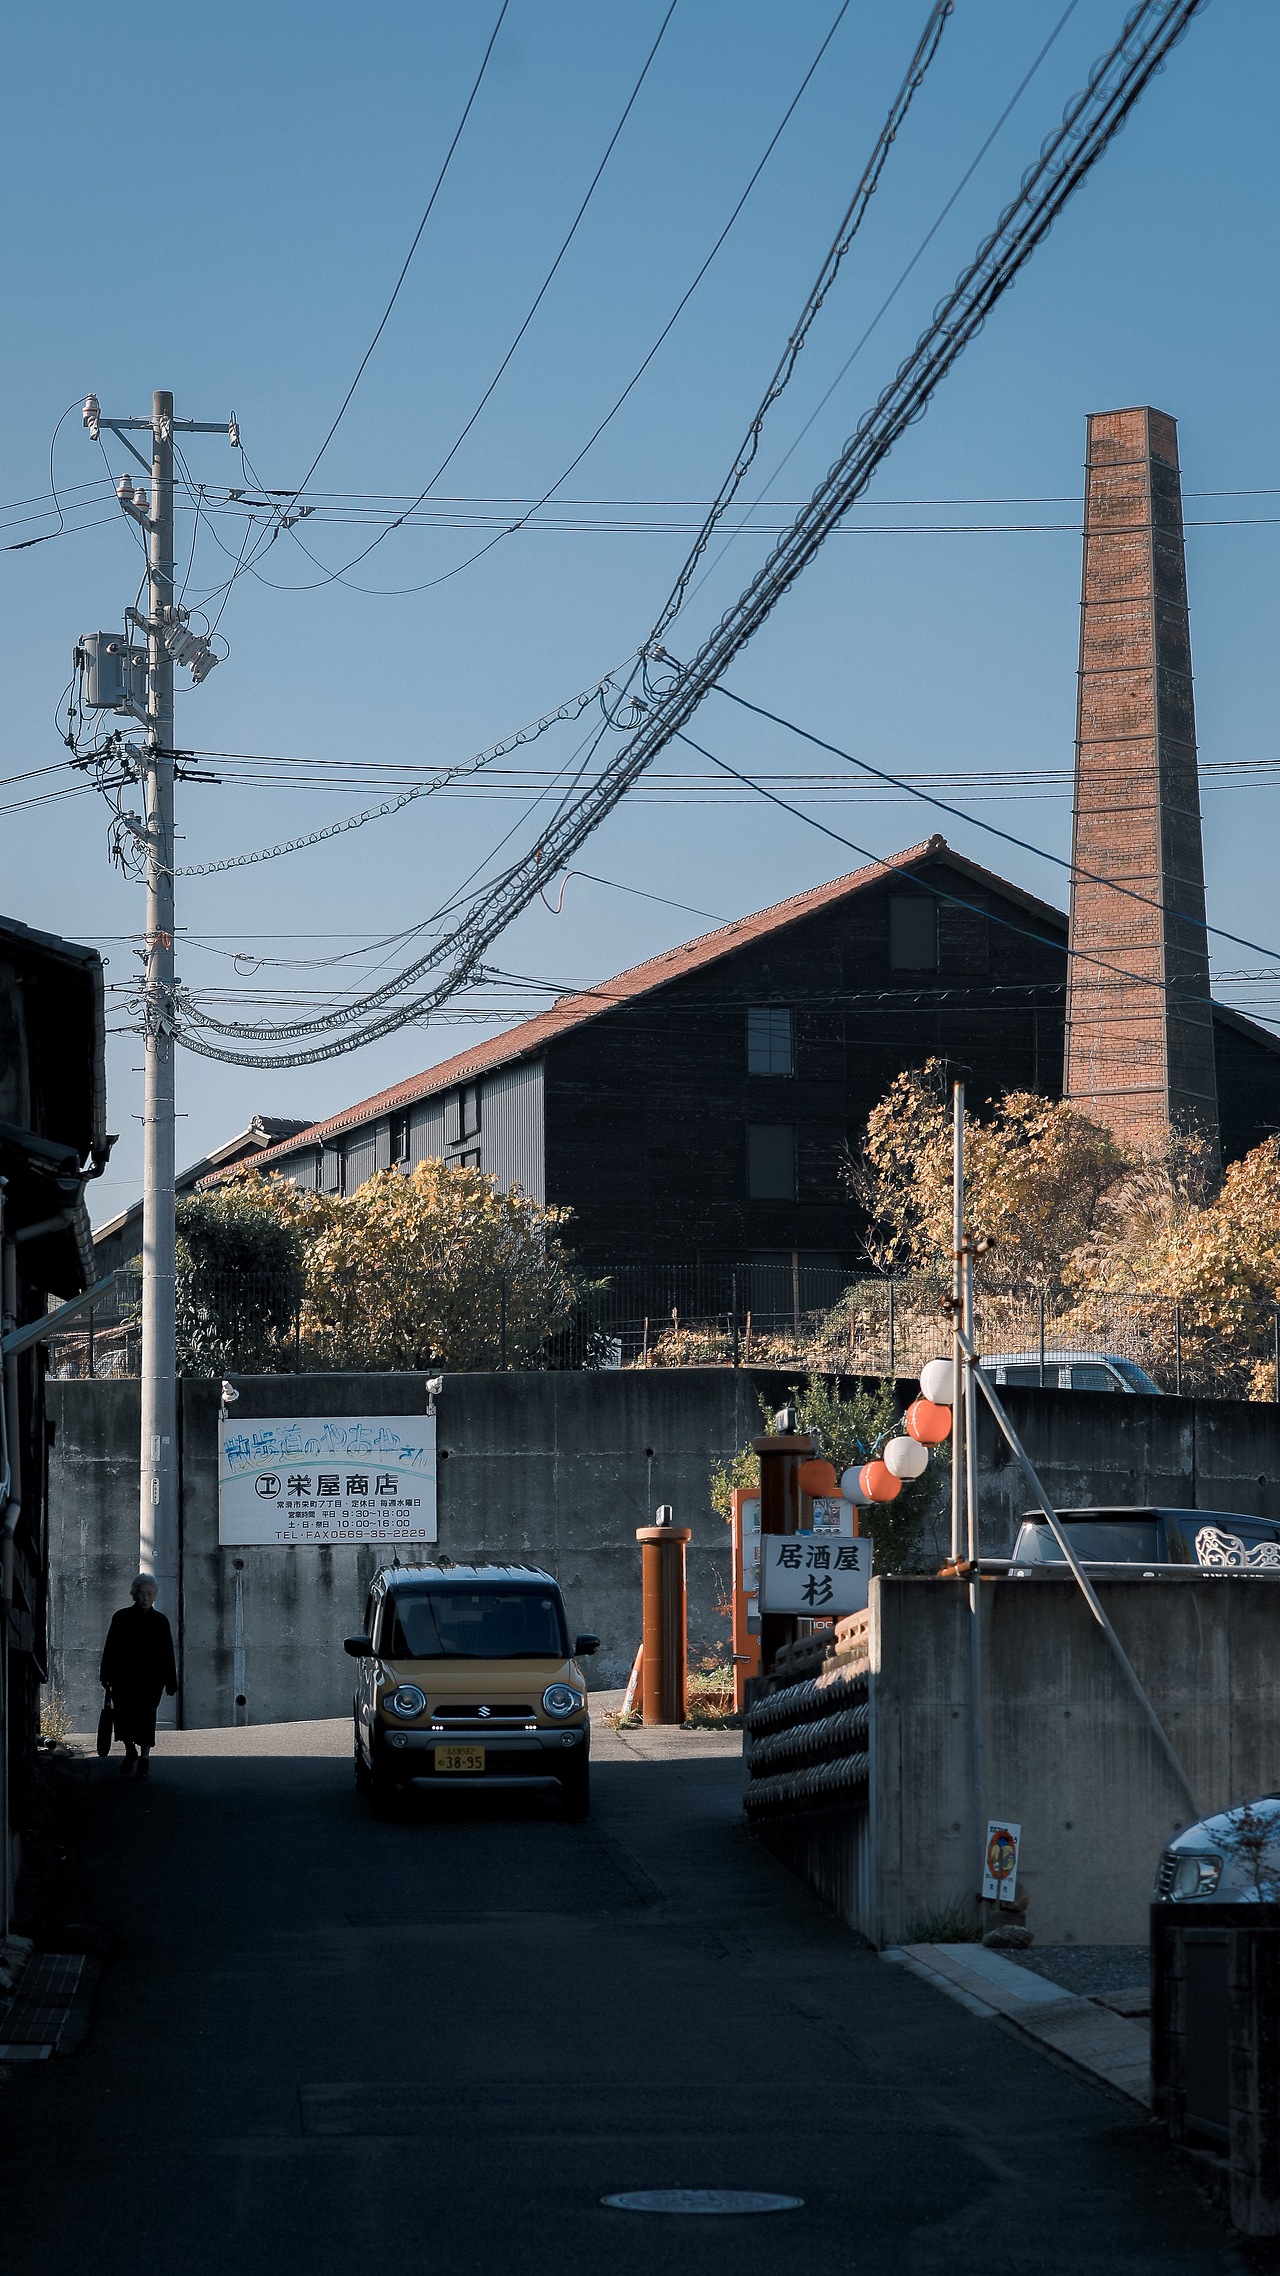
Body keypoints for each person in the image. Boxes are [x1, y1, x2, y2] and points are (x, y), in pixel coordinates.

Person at [99, 1574, 177, 1778]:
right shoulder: (121, 1617)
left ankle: (144, 1758)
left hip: (151, 1681)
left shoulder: (160, 1621)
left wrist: (171, 1680)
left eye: (149, 1594)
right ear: (134, 1595)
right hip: (123, 1679)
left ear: (155, 1596)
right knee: (123, 1717)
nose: (145, 1598)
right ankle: (130, 1749)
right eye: (141, 1593)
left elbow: (167, 1652)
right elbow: (111, 1647)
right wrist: (105, 1674)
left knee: (146, 1717)